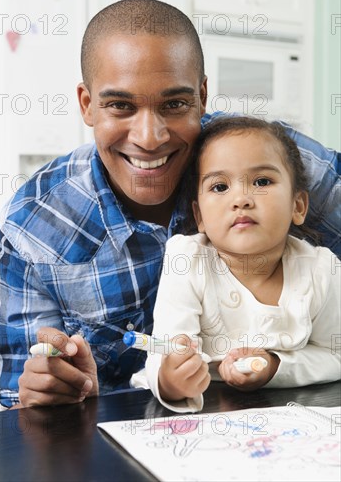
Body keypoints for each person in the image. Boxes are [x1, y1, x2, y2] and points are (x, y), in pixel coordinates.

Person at [0, 0, 341, 408]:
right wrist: (54, 390)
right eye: (120, 105)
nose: (149, 138)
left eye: (174, 104)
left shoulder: (281, 164)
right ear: (87, 105)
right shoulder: (30, 230)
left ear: (202, 96)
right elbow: (17, 391)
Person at [145, 116, 341, 413]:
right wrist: (170, 380)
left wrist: (275, 366)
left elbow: (335, 355)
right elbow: (166, 349)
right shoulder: (186, 259)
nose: (241, 199)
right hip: (200, 419)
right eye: (220, 186)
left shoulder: (321, 270)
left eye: (262, 181)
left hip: (290, 421)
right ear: (199, 217)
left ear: (298, 206)